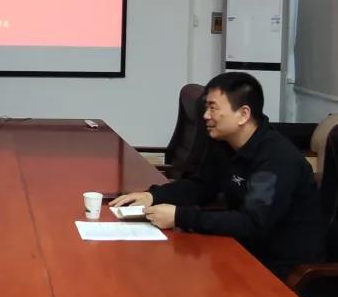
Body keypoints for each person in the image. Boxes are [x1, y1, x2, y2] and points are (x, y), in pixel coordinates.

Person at [112, 72, 322, 276]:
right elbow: (202, 186)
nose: (205, 116)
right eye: (206, 108)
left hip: (280, 270)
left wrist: (179, 217)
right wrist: (153, 196)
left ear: (243, 114)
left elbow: (253, 222)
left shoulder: (276, 158)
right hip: (241, 252)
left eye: (213, 108)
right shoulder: (225, 144)